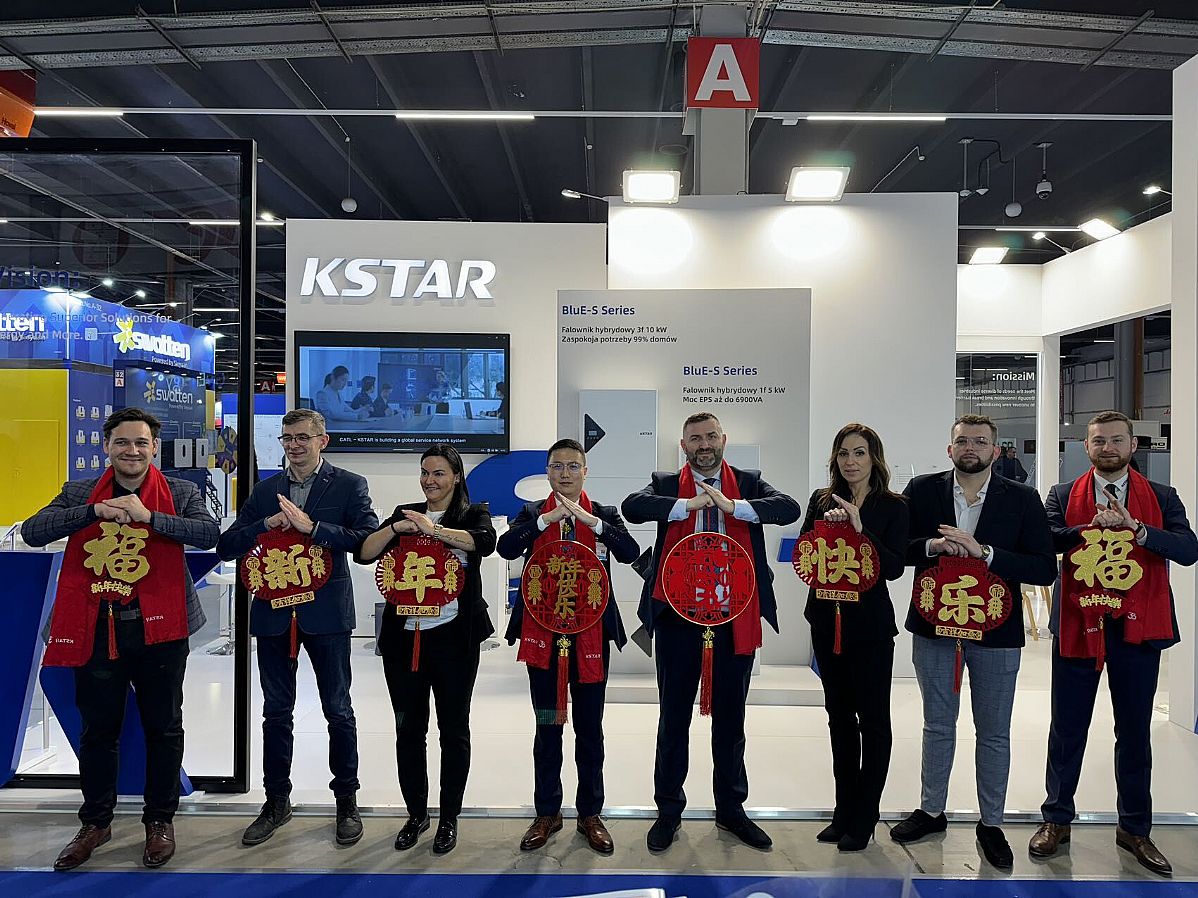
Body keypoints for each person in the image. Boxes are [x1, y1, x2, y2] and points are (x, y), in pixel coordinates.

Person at [22, 408, 219, 871]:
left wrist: (151, 517)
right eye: (123, 443)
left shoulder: (181, 492)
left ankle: (160, 820)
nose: (132, 451)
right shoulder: (79, 492)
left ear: (155, 448)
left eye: (141, 443)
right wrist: (93, 512)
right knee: (98, 731)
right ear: (107, 447)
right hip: (95, 626)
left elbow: (209, 533)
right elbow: (33, 532)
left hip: (160, 629)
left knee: (164, 727)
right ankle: (95, 822)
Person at [622, 411, 801, 853]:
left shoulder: (749, 482)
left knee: (731, 719)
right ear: (684, 445)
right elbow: (632, 506)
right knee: (673, 718)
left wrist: (734, 507)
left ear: (724, 439)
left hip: (733, 614)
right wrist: (688, 505)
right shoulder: (666, 483)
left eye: (710, 436)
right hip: (678, 617)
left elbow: (789, 508)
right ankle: (668, 811)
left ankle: (731, 809)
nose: (704, 445)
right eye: (695, 438)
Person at [1029, 411, 1198, 876]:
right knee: (1067, 728)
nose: (1108, 447)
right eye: (1099, 440)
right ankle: (1056, 820)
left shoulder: (1161, 496)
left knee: (1135, 731)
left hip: (1137, 628)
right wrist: (1089, 529)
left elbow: (1188, 549)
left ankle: (1135, 829)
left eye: (1117, 440)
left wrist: (1137, 530)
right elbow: (1046, 540)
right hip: (1079, 621)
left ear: (1132, 445)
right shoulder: (1062, 494)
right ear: (1086, 446)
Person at [892, 414, 1056, 870]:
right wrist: (932, 547)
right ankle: (931, 811)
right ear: (949, 449)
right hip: (936, 627)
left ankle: (992, 823)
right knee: (937, 725)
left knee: (994, 731)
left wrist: (986, 553)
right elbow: (897, 549)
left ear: (996, 451)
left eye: (980, 441)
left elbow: (1044, 567)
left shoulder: (1022, 498)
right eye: (962, 440)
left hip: (996, 632)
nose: (971, 448)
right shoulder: (922, 490)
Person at [216, 409, 378, 848]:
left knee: (338, 710)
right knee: (275, 712)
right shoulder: (265, 490)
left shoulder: (349, 484)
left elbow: (367, 541)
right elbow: (227, 546)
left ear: (323, 440)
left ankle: (346, 800)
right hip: (273, 615)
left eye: (303, 437)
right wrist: (263, 525)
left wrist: (314, 529)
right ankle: (276, 802)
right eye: (287, 438)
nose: (294, 445)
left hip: (326, 615)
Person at [497, 439, 640, 854]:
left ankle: (590, 813)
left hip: (590, 637)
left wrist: (592, 523)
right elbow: (506, 547)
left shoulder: (604, 514)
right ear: (547, 472)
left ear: (585, 472)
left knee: (589, 728)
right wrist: (547, 520)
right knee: (548, 726)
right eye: (557, 466)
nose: (565, 473)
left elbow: (630, 552)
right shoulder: (531, 513)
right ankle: (547, 812)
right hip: (544, 636)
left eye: (573, 466)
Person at [356, 444, 496, 855]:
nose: (429, 481)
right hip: (404, 642)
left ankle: (449, 817)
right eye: (424, 472)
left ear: (456, 477)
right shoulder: (406, 513)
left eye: (438, 473)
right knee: (408, 730)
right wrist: (397, 529)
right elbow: (364, 552)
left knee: (453, 730)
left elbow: (483, 543)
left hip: (454, 640)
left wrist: (432, 530)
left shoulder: (473, 514)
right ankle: (416, 814)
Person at [800, 424, 909, 852]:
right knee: (839, 719)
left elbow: (894, 567)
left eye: (859, 453)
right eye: (843, 453)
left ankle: (865, 815)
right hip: (827, 624)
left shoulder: (894, 506)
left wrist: (861, 530)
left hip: (870, 629)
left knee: (874, 722)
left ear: (873, 458)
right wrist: (824, 532)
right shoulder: (821, 500)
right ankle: (843, 811)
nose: (851, 461)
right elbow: (805, 556)